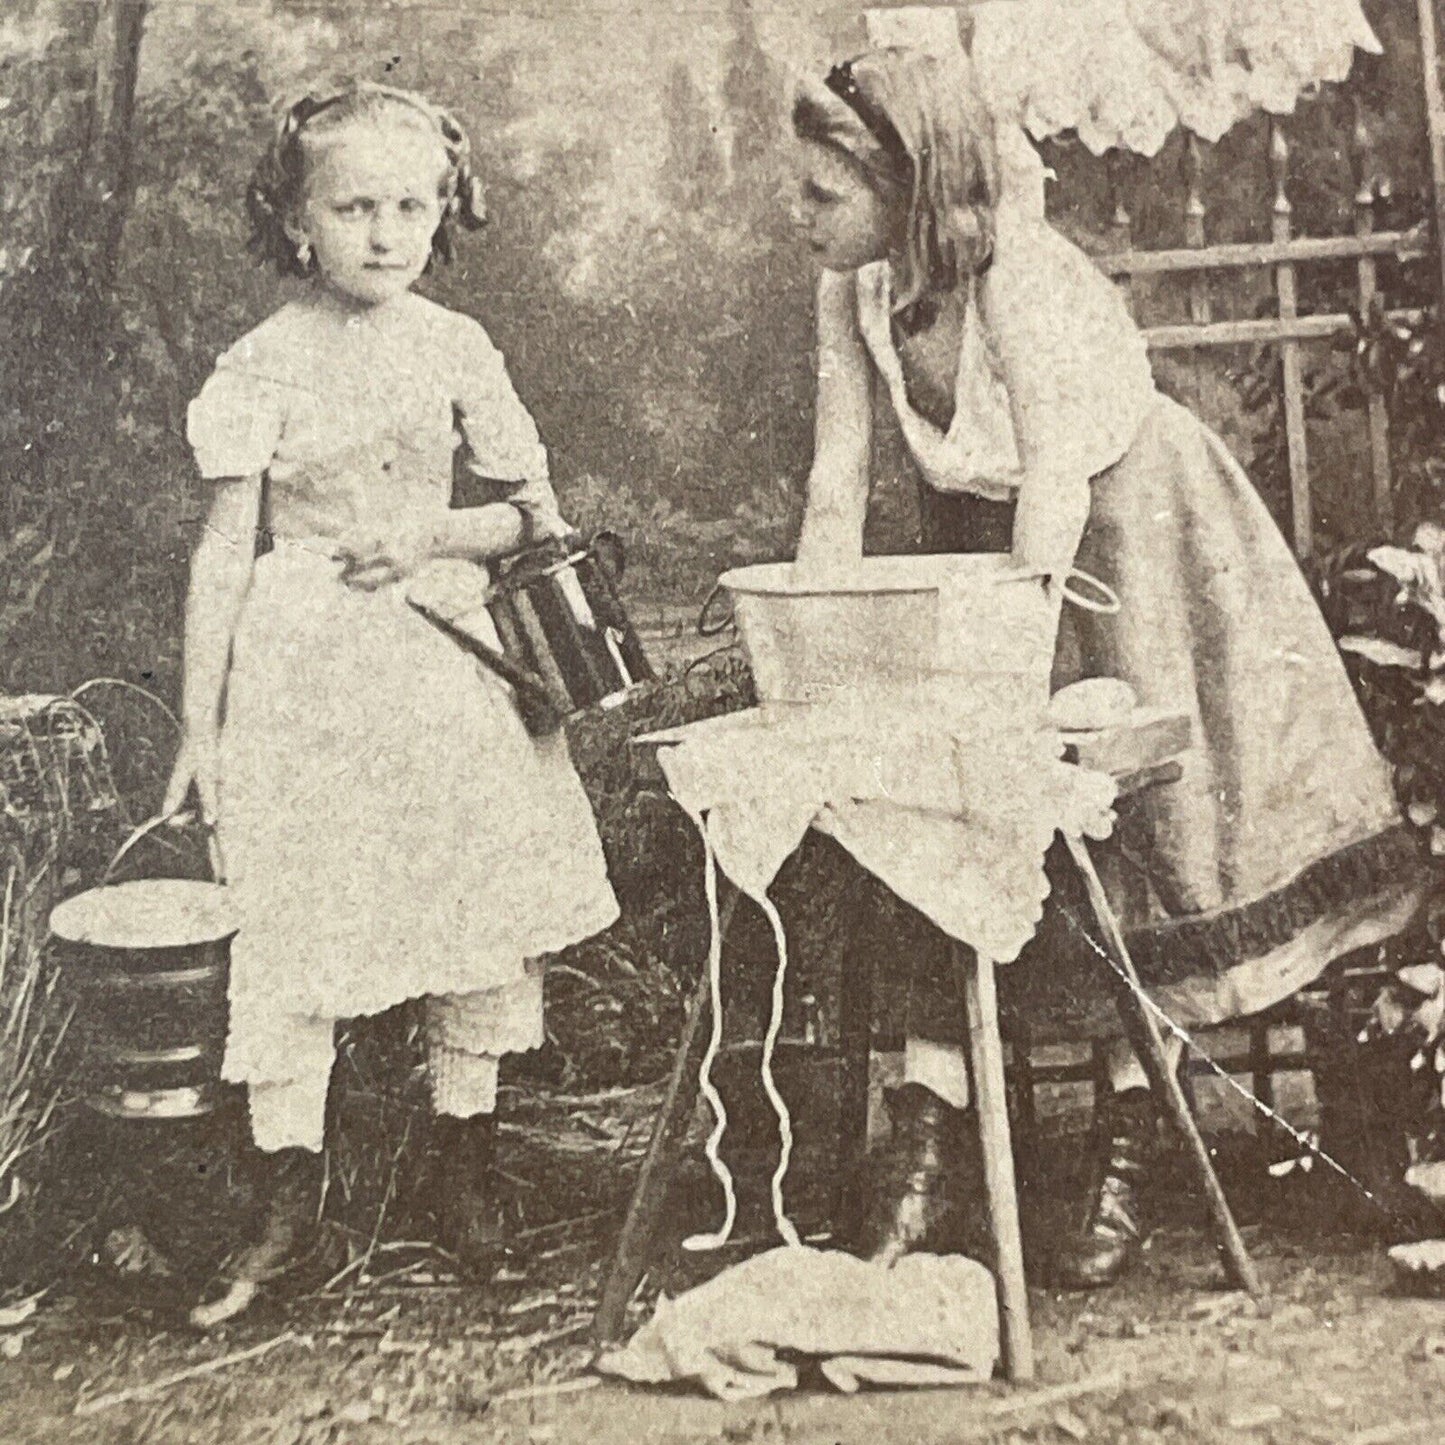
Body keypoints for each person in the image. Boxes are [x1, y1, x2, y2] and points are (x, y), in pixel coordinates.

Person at [789, 46, 1424, 1288]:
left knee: (1140, 820)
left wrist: (1011, 666)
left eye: (821, 194)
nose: (796, 216)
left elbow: (1060, 493)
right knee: (953, 808)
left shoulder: (1018, 280)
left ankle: (1133, 1130)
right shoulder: (848, 292)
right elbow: (833, 483)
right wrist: (814, 642)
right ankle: (928, 1132)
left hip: (1129, 530)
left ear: (910, 188)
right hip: (984, 540)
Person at [164, 82, 618, 1320]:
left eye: (409, 204)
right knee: (298, 906)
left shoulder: (455, 345)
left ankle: (463, 1159)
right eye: (352, 205)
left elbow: (536, 513)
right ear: (296, 220)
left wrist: (436, 527)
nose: (383, 231)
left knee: (466, 892)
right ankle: (286, 1191)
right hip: (306, 667)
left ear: (443, 209)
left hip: (443, 653)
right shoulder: (260, 365)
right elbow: (224, 549)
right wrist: (198, 730)